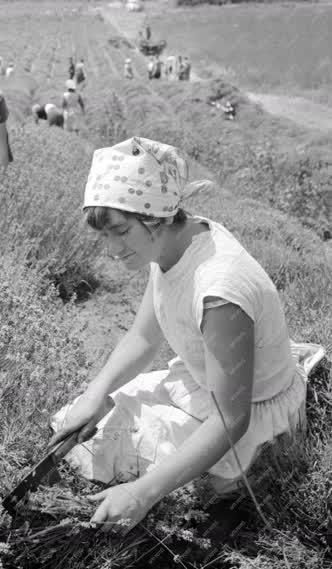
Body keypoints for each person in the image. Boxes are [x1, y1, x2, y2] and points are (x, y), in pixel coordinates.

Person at [49, 136, 325, 532]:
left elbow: (233, 419)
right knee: (78, 422)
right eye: (103, 235)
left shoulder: (218, 290)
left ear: (156, 216)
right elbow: (143, 338)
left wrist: (142, 494)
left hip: (250, 419)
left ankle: (235, 499)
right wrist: (95, 395)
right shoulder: (169, 246)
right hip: (200, 386)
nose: (111, 249)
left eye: (121, 231)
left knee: (126, 462)